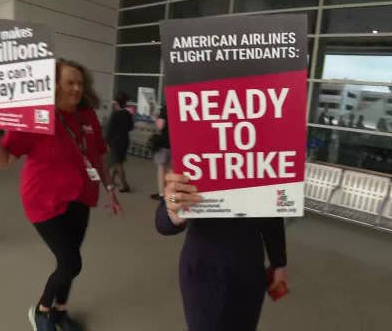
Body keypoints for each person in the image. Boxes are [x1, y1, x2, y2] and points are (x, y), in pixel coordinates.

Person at [0, 59, 122, 331]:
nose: (77, 88)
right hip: (44, 202)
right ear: (52, 85)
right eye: (69, 82)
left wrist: (110, 189)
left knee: (68, 259)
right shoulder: (36, 117)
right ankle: (42, 311)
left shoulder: (86, 115)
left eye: (80, 82)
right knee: (71, 262)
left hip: (81, 198)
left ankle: (61, 311)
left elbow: (98, 156)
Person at [155, 174, 288, 331]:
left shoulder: (261, 157)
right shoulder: (196, 154)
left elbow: (273, 215)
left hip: (248, 269)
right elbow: (163, 220)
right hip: (202, 268)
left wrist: (278, 263)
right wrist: (173, 206)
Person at [106, 94, 134, 192]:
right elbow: (131, 127)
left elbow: (109, 130)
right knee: (118, 162)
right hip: (125, 140)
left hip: (115, 141)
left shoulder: (115, 114)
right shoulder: (128, 114)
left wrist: (106, 142)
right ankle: (112, 181)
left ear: (117, 103)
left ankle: (125, 185)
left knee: (118, 163)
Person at [150, 104, 170, 200]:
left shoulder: (166, 108)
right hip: (176, 142)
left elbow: (160, 126)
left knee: (161, 169)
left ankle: (162, 195)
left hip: (164, 143)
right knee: (171, 171)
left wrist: (154, 119)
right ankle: (172, 197)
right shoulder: (179, 106)